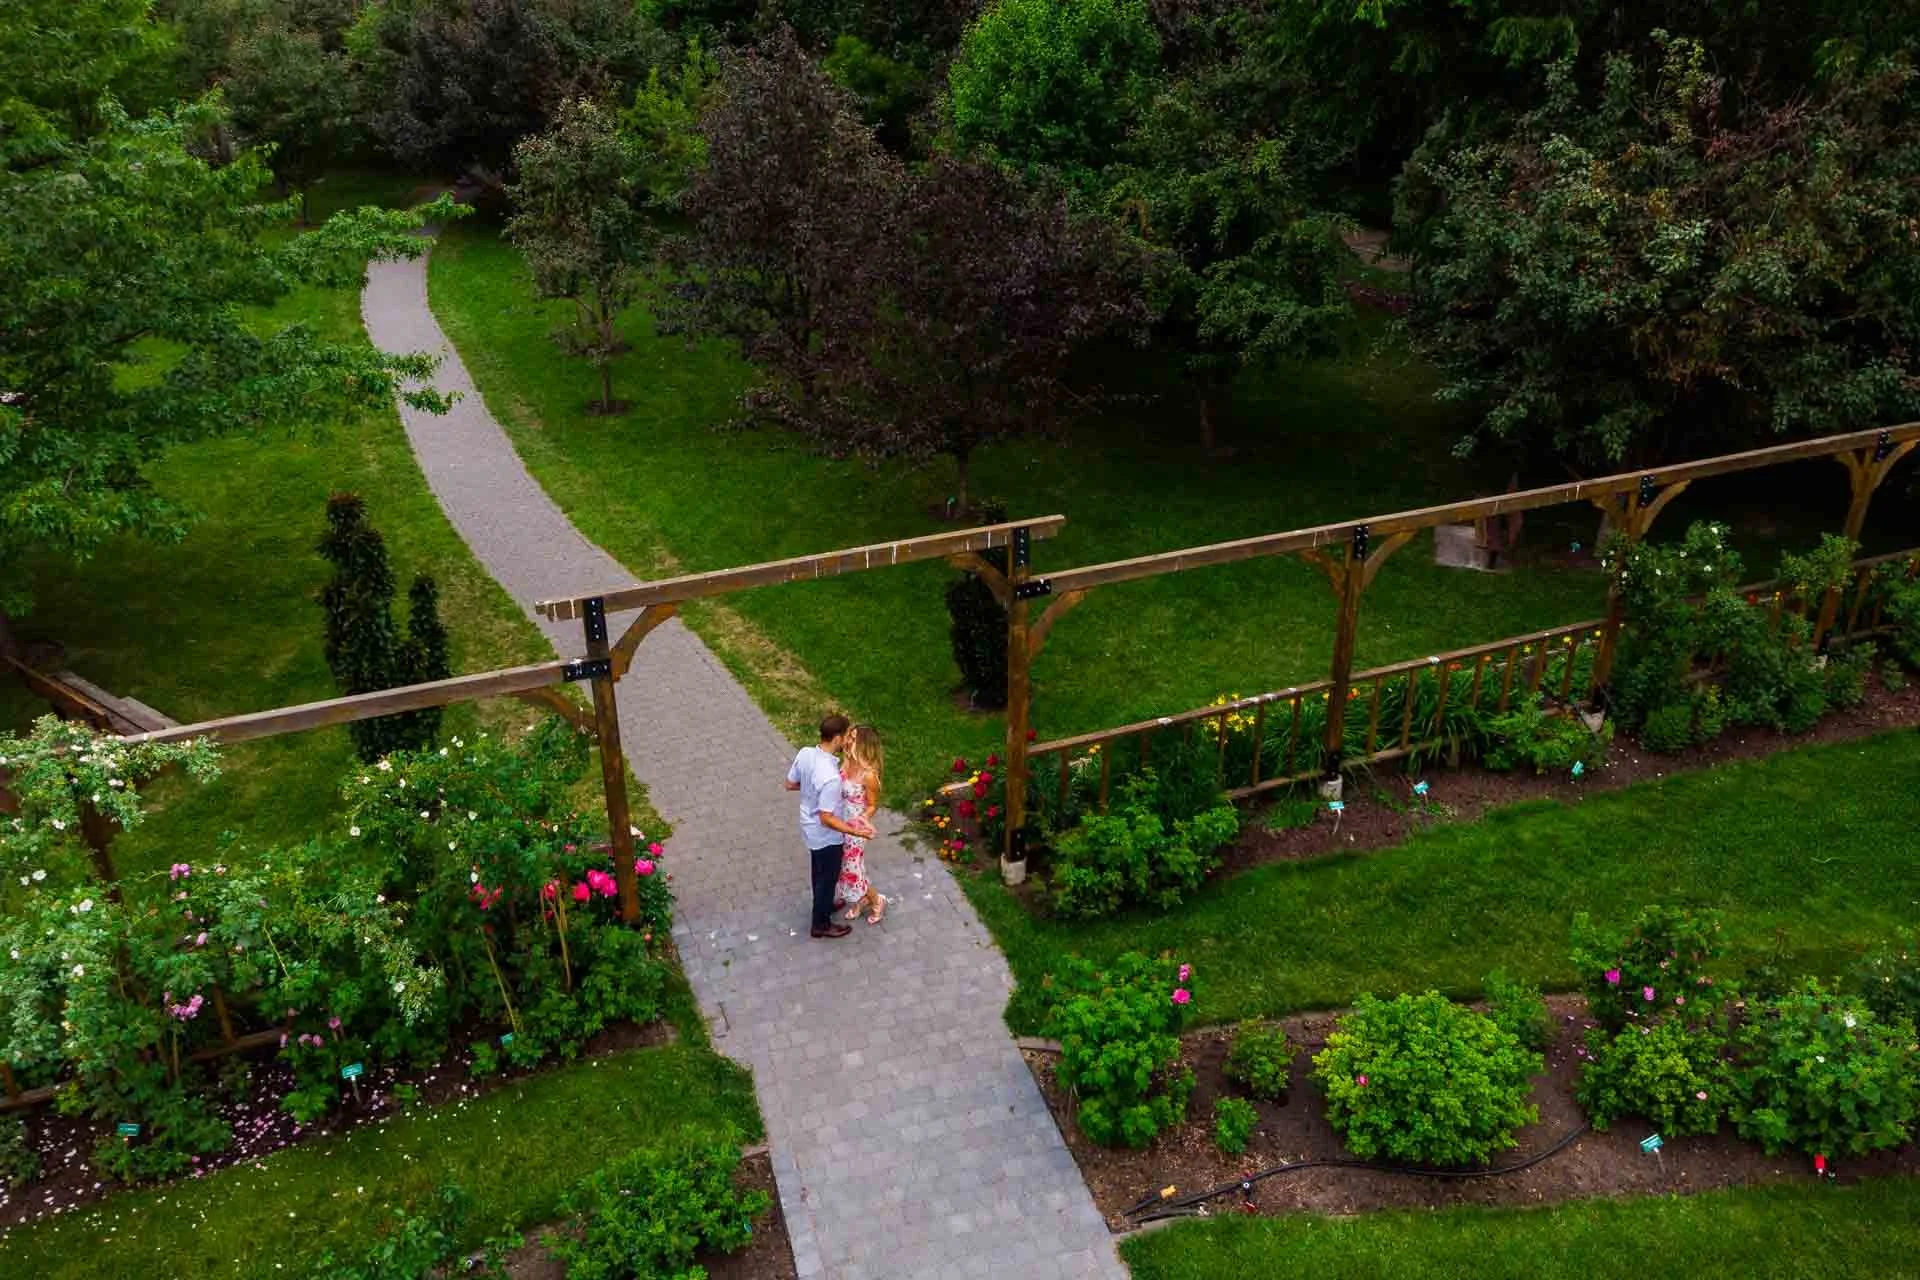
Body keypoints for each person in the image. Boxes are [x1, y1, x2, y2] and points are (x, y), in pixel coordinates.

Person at [784, 713, 864, 939]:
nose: (849, 740)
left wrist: (811, 788)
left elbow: (790, 783)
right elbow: (826, 818)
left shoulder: (805, 753)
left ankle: (824, 904)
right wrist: (853, 830)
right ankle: (821, 924)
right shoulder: (830, 778)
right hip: (826, 835)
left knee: (818, 872)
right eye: (847, 736)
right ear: (837, 738)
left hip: (808, 827)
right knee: (827, 879)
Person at [835, 724, 887, 925]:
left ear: (863, 744)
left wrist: (862, 819)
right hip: (839, 821)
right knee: (845, 866)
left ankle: (876, 899)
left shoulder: (869, 775)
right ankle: (860, 900)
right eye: (849, 736)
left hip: (856, 828)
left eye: (853, 738)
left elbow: (873, 805)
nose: (848, 740)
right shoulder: (847, 762)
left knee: (853, 869)